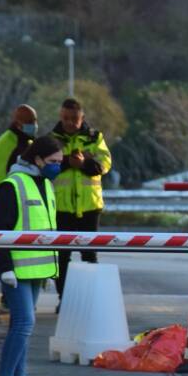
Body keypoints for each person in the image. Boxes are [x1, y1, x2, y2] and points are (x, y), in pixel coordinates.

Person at [0, 134, 64, 376]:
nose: (58, 166)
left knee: (25, 327)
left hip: (35, 270)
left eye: (60, 161)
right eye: (54, 161)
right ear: (38, 159)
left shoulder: (44, 184)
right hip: (16, 270)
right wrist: (4, 266)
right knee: (23, 325)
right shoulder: (13, 185)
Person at [51, 97, 112, 304]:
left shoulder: (95, 137)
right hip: (61, 207)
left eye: (74, 119)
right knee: (62, 256)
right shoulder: (52, 139)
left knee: (89, 255)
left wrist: (85, 163)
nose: (70, 122)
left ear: (82, 118)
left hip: (89, 207)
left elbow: (104, 165)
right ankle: (64, 300)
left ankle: (90, 299)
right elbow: (46, 168)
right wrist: (70, 162)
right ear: (61, 116)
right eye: (66, 118)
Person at [0, 104, 38, 190]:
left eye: (35, 121)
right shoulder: (6, 143)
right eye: (30, 122)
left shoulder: (27, 140)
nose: (34, 125)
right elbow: (0, 177)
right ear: (17, 123)